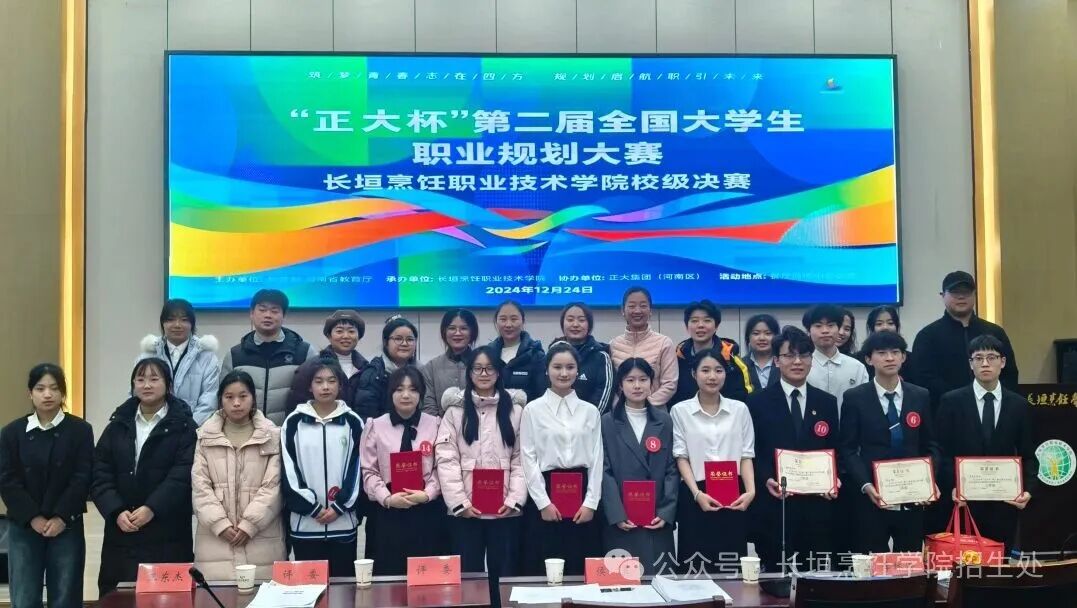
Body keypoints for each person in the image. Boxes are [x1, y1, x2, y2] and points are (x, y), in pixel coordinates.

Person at [92, 358, 197, 596]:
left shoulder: (185, 426)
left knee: (167, 598)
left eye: (154, 379)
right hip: (123, 530)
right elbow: (100, 472)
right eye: (140, 379)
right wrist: (115, 511)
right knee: (120, 597)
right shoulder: (117, 425)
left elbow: (182, 475)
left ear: (168, 385)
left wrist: (152, 508)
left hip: (167, 530)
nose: (146, 385)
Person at [0, 364, 94, 608]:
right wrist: (33, 517)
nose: (48, 394)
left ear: (63, 393)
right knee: (24, 597)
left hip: (66, 525)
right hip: (24, 526)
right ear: (30, 393)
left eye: (54, 388)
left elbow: (83, 477)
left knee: (66, 597)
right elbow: (7, 480)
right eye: (40, 388)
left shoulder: (80, 430)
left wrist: (61, 517)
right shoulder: (11, 433)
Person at [838, 331, 939, 553]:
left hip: (913, 496)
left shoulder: (920, 395)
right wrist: (865, 484)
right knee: (873, 564)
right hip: (872, 496)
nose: (890, 358)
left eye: (895, 352)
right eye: (882, 353)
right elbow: (848, 448)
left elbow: (930, 444)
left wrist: (929, 480)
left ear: (904, 357)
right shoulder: (855, 397)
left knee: (909, 563)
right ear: (868, 359)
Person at [435, 347, 527, 589]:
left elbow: (522, 459)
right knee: (468, 577)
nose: (483, 374)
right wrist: (459, 503)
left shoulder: (516, 410)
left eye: (489, 368)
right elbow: (446, 459)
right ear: (469, 373)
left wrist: (514, 499)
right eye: (477, 368)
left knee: (505, 576)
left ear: (499, 372)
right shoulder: (455, 412)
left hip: (505, 509)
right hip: (466, 511)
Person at [748, 327, 840, 573]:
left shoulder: (827, 402)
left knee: (815, 576)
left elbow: (835, 448)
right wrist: (766, 478)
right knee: (774, 578)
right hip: (775, 505)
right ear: (777, 361)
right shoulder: (757, 402)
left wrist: (834, 478)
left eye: (804, 355)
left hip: (816, 505)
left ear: (812, 360)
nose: (797, 362)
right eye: (789, 355)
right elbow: (751, 452)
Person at [934, 335, 1037, 551]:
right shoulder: (951, 401)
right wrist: (952, 486)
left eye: (992, 357)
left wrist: (1028, 490)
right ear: (970, 364)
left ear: (1003, 362)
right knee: (966, 565)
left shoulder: (1019, 405)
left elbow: (1028, 453)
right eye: (978, 358)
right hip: (963, 502)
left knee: (1000, 562)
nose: (985, 363)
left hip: (1004, 503)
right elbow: (941, 451)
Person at [520, 342, 603, 575]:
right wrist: (543, 502)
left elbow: (597, 459)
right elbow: (528, 458)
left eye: (570, 367)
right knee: (546, 565)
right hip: (546, 493)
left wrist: (591, 503)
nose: (564, 373)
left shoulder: (590, 411)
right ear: (547, 370)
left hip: (582, 495)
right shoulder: (532, 410)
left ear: (578, 371)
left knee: (581, 566)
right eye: (557, 367)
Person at [193, 371, 285, 580]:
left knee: (262, 593)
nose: (236, 403)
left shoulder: (272, 435)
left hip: (263, 537)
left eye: (243, 396)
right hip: (215, 540)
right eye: (229, 397)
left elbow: (274, 486)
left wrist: (250, 524)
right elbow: (200, 486)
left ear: (253, 398)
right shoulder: (205, 436)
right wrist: (220, 524)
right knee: (217, 595)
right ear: (220, 400)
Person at [671, 349, 756, 573]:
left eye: (718, 370)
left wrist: (750, 492)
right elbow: (681, 456)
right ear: (694, 374)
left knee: (731, 565)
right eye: (705, 370)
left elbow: (746, 455)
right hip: (697, 494)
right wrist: (696, 494)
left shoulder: (740, 410)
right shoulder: (680, 411)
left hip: (734, 494)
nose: (712, 376)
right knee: (695, 565)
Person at [281, 360, 365, 577]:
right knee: (308, 587)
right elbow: (289, 471)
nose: (325, 387)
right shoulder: (293, 422)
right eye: (318, 381)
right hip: (306, 523)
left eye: (331, 381)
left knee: (343, 588)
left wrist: (340, 506)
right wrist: (312, 508)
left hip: (343, 522)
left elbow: (357, 469)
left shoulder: (353, 422)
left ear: (340, 385)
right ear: (310, 386)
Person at [360, 366, 447, 575]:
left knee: (427, 576)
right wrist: (387, 498)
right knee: (389, 576)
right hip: (387, 512)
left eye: (413, 389)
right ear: (390, 393)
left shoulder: (435, 424)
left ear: (421, 394)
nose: (406, 395)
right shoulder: (375, 426)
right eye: (399, 389)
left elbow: (441, 467)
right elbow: (369, 470)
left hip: (427, 510)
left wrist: (427, 494)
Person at [601, 358, 677, 575]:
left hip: (656, 515)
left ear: (652, 383)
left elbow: (672, 468)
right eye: (630, 380)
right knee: (622, 580)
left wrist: (666, 511)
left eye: (643, 379)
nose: (637, 386)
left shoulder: (664, 420)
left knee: (660, 580)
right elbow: (604, 470)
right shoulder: (607, 422)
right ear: (620, 385)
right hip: (622, 517)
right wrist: (616, 513)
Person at [909, 271, 1020, 411]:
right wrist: (960, 400)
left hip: (992, 409)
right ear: (942, 296)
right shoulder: (927, 336)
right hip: (945, 412)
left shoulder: (995, 332)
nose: (961, 296)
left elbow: (1010, 374)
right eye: (955, 292)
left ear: (975, 294)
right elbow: (923, 379)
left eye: (966, 291)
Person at [221, 289, 318, 425]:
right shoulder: (235, 355)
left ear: (284, 315)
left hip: (290, 430)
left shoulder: (304, 352)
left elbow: (315, 396)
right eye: (262, 310)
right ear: (251, 314)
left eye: (274, 311)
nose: (268, 315)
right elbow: (223, 398)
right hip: (247, 431)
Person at [138, 298, 220, 425]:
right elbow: (136, 395)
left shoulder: (207, 358)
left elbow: (209, 401)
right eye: (170, 319)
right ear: (163, 323)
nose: (177, 325)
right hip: (152, 429)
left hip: (192, 430)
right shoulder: (147, 357)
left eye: (184, 320)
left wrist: (187, 428)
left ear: (192, 324)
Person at [671, 300, 754, 404]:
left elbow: (745, 395)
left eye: (707, 320)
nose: (700, 325)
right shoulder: (677, 359)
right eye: (694, 321)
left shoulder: (730, 358)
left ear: (716, 326)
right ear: (687, 326)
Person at [609, 287, 678, 408]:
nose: (637, 310)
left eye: (643, 306)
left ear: (650, 310)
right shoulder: (613, 345)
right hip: (620, 414)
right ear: (623, 310)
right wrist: (622, 408)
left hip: (655, 413)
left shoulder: (664, 343)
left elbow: (670, 384)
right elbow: (611, 385)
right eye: (631, 306)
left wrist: (642, 405)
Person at [287, 309, 368, 413]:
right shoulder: (310, 367)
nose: (346, 336)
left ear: (359, 336)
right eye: (339, 331)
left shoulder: (367, 368)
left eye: (351, 331)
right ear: (329, 336)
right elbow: (296, 404)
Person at [803, 304, 869, 414]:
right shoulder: (801, 366)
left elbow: (864, 406)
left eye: (830, 325)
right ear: (808, 330)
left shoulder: (857, 368)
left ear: (838, 328)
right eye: (818, 326)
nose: (825, 331)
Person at [354, 315, 419, 421]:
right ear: (386, 342)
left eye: (410, 339)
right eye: (398, 339)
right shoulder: (373, 374)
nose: (404, 343)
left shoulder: (420, 372)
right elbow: (367, 418)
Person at [556, 302, 614, 413]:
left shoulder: (601, 357)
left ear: (589, 325)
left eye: (581, 320)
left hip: (589, 420)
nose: (575, 324)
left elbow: (604, 395)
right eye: (570, 320)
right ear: (562, 323)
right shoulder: (553, 354)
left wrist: (586, 419)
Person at [421, 309, 479, 415]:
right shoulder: (431, 367)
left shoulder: (483, 364)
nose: (457, 333)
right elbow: (428, 407)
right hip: (440, 424)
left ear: (472, 332)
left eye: (464, 328)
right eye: (452, 328)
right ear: (444, 332)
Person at [488, 300, 546, 402]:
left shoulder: (536, 355)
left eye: (514, 319)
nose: (508, 324)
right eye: (503, 319)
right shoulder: (488, 354)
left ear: (523, 321)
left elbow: (541, 395)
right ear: (496, 322)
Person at [744, 314, 781, 390]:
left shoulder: (784, 364)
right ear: (748, 337)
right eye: (756, 333)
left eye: (768, 333)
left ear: (776, 336)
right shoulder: (740, 365)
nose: (762, 338)